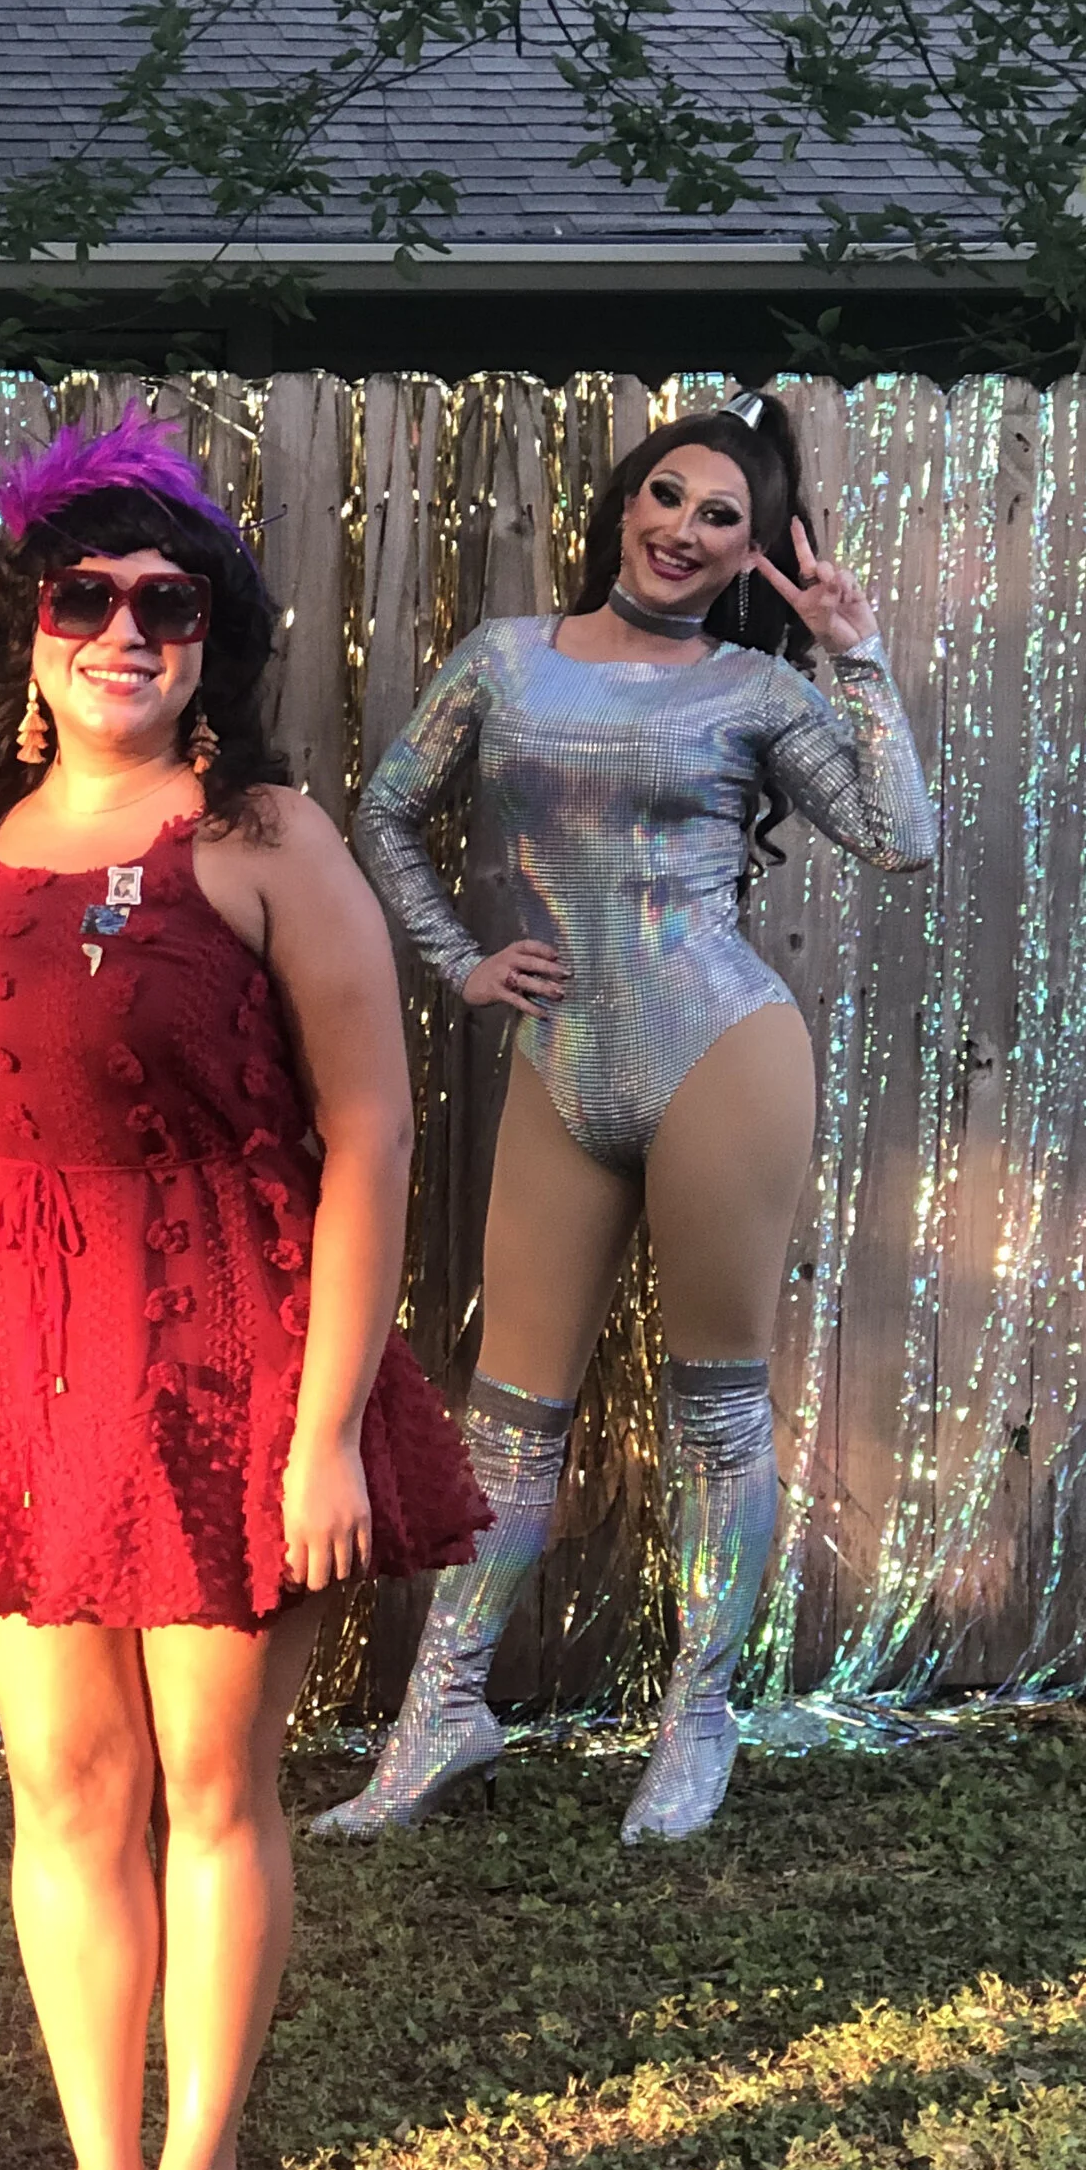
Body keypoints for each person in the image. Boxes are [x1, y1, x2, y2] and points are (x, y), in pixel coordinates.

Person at [0, 409, 480, 2170]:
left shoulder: (264, 843)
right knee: (64, 1787)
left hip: (220, 1351)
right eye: (86, 597)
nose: (125, 630)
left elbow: (369, 1136)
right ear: (28, 629)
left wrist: (315, 1430)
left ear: (215, 632)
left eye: (164, 602)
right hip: (7, 1358)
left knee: (208, 1784)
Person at [314, 389, 937, 1852]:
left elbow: (902, 841)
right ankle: (443, 1711)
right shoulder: (506, 660)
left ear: (749, 554)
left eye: (723, 517)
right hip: (561, 1055)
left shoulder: (758, 690)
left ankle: (697, 1713)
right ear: (624, 504)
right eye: (669, 496)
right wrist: (463, 961)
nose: (685, 529)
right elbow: (387, 811)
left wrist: (857, 657)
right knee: (509, 1414)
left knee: (713, 1405)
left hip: (722, 1046)